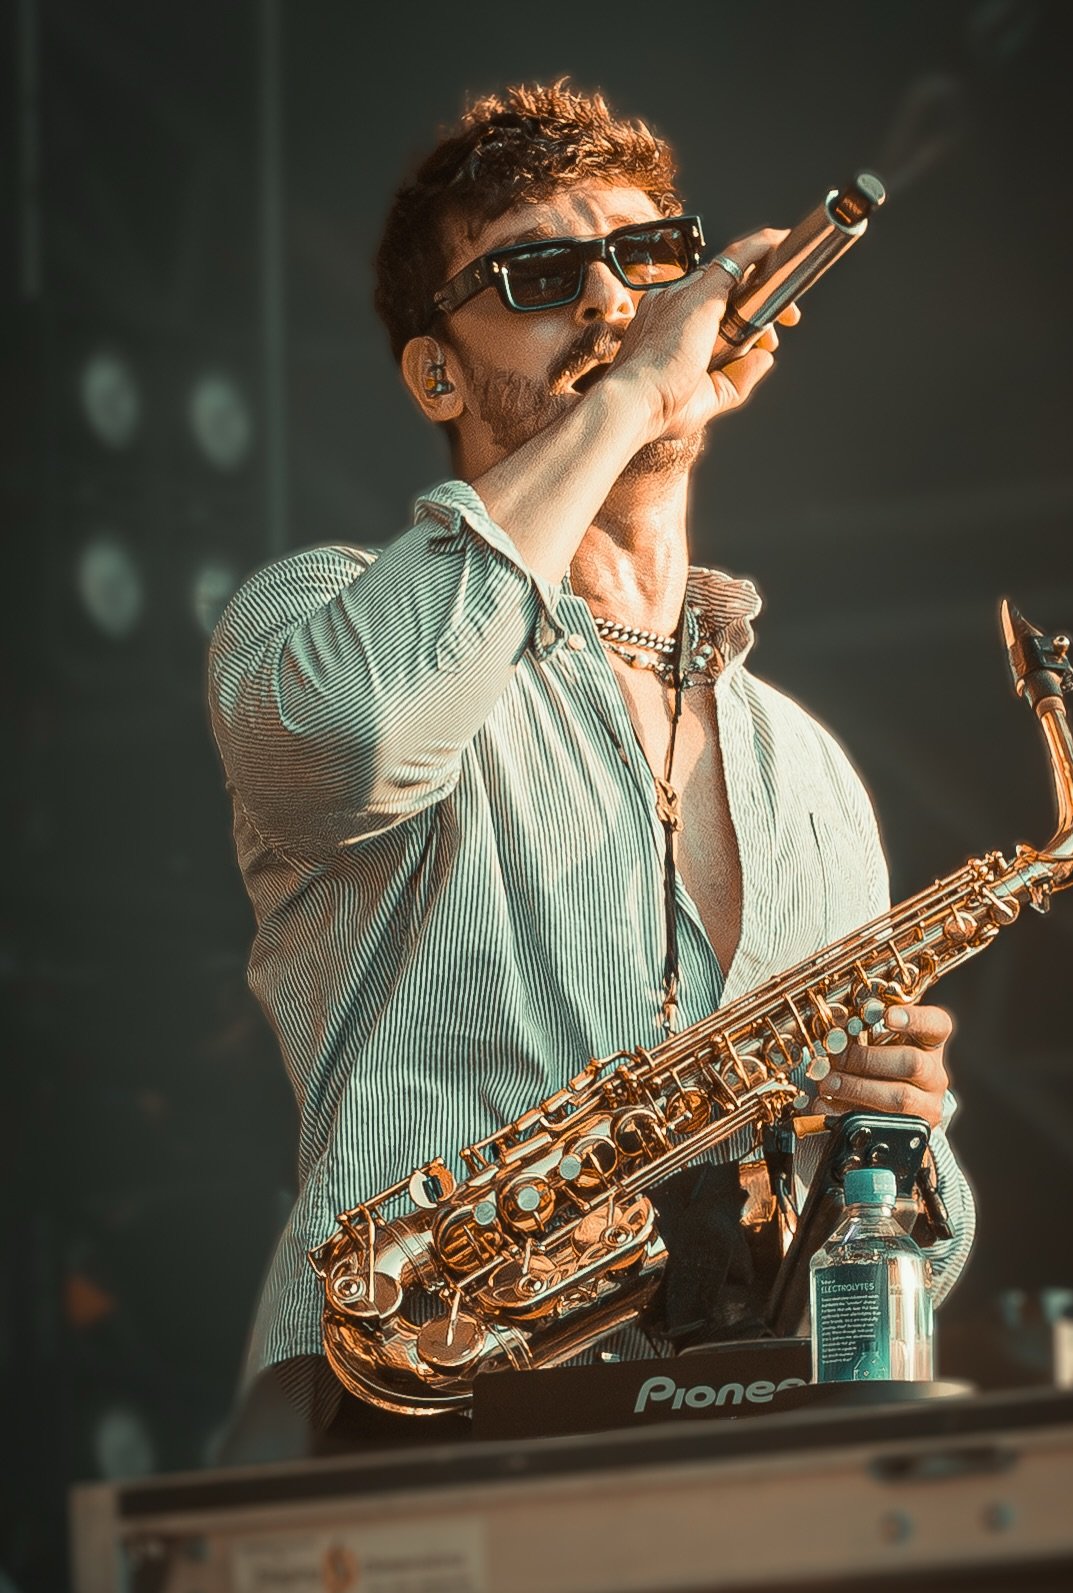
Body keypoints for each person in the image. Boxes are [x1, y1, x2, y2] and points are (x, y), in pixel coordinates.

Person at [207, 81, 975, 1462]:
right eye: (542, 275)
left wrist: (886, 1141)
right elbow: (355, 743)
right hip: (403, 1426)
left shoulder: (809, 770)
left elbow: (885, 1252)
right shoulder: (324, 618)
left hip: (722, 1456)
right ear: (436, 375)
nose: (618, 301)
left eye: (650, 257)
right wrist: (626, 395)